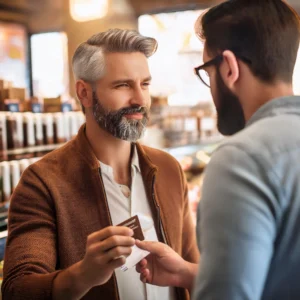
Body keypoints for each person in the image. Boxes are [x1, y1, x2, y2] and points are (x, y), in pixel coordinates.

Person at [2, 29, 199, 300]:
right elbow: (17, 290)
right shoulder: (42, 182)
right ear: (84, 93)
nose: (140, 100)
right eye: (123, 85)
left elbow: (192, 263)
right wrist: (83, 274)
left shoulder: (168, 168)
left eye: (145, 84)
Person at [135, 1, 300, 299]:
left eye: (207, 75)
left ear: (228, 68)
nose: (210, 89)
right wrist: (190, 273)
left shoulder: (242, 158)